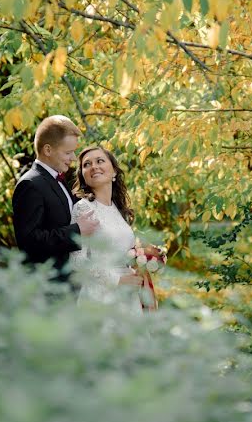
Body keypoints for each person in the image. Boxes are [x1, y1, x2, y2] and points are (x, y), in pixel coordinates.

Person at [69, 145, 161, 311]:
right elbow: (78, 261)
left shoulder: (118, 209)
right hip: (100, 296)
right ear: (83, 177)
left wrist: (143, 260)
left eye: (100, 161)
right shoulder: (83, 208)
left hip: (129, 294)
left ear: (114, 172)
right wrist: (116, 281)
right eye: (86, 164)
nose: (93, 166)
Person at [12, 115, 99, 281]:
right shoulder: (30, 185)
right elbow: (29, 242)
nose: (74, 158)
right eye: (68, 152)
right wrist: (77, 230)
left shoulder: (58, 180)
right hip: (47, 287)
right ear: (48, 150)